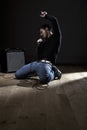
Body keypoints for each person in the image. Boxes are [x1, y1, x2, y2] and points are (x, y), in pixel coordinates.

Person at [15, 11, 62, 84]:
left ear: (46, 29)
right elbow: (39, 56)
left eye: (41, 32)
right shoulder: (44, 41)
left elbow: (54, 20)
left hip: (46, 64)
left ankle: (54, 72)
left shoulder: (56, 37)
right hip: (36, 63)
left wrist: (46, 16)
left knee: (44, 79)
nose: (40, 34)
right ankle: (38, 71)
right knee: (18, 74)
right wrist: (39, 45)